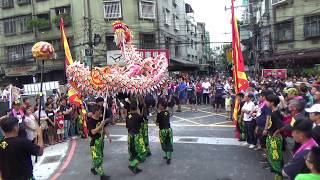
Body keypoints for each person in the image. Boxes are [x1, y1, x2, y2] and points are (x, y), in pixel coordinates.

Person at [87, 105, 112, 180]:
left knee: (99, 156)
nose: (101, 111)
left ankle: (93, 169)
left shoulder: (101, 118)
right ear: (95, 112)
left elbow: (105, 128)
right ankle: (102, 175)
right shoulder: (90, 121)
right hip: (94, 142)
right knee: (98, 159)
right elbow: (93, 132)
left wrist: (108, 136)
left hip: (101, 141)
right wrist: (100, 125)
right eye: (100, 110)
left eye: (101, 110)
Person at [265, 94, 284, 180]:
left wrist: (275, 133)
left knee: (276, 158)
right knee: (275, 157)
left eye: (267, 101)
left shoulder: (275, 114)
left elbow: (281, 126)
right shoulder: (275, 111)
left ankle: (279, 176)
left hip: (274, 139)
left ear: (272, 103)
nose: (266, 102)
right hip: (272, 138)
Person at [126, 101, 145, 174]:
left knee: (133, 152)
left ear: (130, 108)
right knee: (142, 152)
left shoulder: (128, 116)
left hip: (130, 136)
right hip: (137, 135)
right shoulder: (139, 116)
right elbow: (143, 125)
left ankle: (135, 168)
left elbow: (127, 126)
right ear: (137, 108)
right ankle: (133, 165)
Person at [156, 99, 173, 165]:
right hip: (169, 130)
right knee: (169, 143)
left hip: (162, 131)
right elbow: (169, 115)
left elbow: (157, 124)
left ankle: (167, 156)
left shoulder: (159, 114)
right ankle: (168, 157)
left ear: (163, 106)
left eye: (159, 105)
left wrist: (155, 118)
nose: (158, 106)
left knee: (164, 144)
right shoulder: (167, 112)